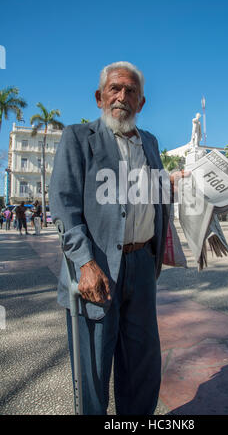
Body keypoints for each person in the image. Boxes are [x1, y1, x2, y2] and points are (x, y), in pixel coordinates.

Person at [50, 61, 185, 415]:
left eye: (131, 91)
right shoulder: (78, 138)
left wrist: (171, 187)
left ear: (141, 103)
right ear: (99, 96)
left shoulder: (151, 143)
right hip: (97, 264)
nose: (122, 96)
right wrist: (84, 263)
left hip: (141, 265)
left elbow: (149, 195)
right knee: (93, 367)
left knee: (142, 365)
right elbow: (64, 206)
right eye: (115, 88)